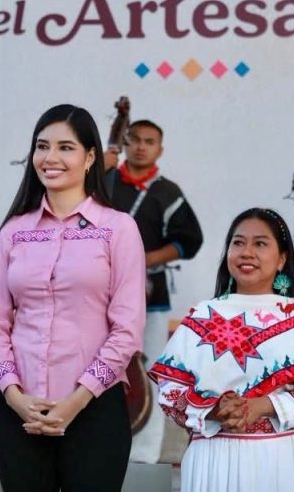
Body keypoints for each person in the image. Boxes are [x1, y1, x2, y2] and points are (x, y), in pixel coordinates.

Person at [0, 104, 146, 491]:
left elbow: (127, 329)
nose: (50, 158)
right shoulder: (14, 231)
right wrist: (14, 395)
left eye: (65, 148)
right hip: (20, 409)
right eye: (42, 146)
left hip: (93, 407)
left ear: (90, 158)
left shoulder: (118, 229)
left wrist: (76, 401)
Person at [149, 207, 294, 492]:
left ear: (282, 259)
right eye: (238, 243)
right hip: (215, 456)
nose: (246, 252)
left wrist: (262, 406)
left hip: (286, 458)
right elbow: (171, 391)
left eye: (260, 244)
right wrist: (215, 410)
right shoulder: (201, 316)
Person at [103, 118, 203, 463]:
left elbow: (190, 240)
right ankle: (101, 450)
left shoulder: (167, 192)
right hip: (99, 293)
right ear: (125, 143)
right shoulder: (105, 181)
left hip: (151, 296)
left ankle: (144, 457)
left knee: (149, 372)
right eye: (135, 140)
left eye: (149, 141)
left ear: (160, 149)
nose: (141, 146)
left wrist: (143, 259)